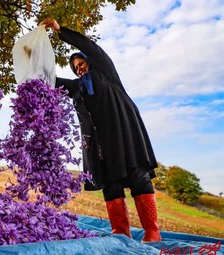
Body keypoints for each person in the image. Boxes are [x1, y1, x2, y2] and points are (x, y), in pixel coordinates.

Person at [43, 18, 162, 242]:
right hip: (99, 144)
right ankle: (120, 233)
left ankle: (152, 233)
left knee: (137, 176)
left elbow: (91, 48)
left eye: (81, 64)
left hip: (123, 131)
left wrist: (61, 31)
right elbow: (52, 82)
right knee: (110, 183)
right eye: (75, 67)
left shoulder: (106, 74)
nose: (79, 68)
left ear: (90, 63)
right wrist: (34, 67)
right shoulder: (77, 88)